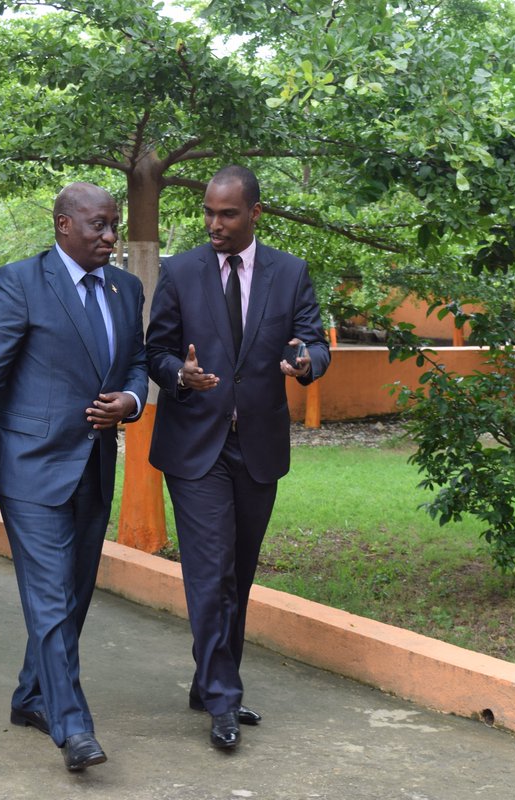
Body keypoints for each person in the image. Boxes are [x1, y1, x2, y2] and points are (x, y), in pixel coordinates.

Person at [0, 182, 147, 772]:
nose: (110, 236)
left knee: (74, 595)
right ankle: (73, 726)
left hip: (93, 463)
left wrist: (131, 402)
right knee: (49, 598)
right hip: (29, 467)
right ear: (64, 225)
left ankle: (32, 697)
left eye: (114, 225)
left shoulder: (125, 288)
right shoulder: (18, 283)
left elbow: (135, 361)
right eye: (98, 226)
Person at [146, 165, 331, 750]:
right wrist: (181, 374)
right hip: (194, 447)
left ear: (255, 213)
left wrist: (307, 365)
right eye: (208, 212)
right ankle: (224, 699)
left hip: (257, 446)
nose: (214, 224)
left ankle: (209, 682)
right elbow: (154, 352)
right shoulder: (180, 271)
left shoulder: (291, 272)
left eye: (227, 214)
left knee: (239, 576)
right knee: (210, 575)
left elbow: (315, 341)